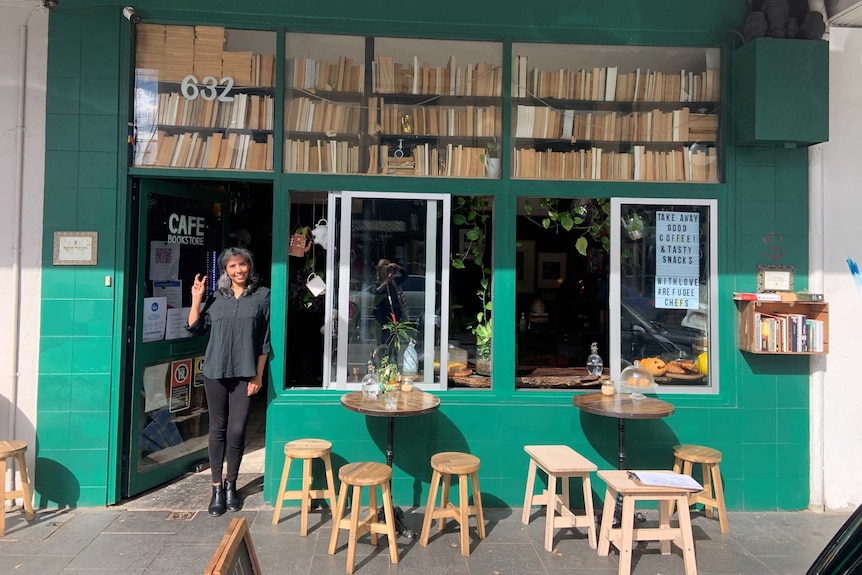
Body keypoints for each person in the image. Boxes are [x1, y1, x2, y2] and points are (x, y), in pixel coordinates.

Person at [187, 247, 270, 516]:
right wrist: (196, 299)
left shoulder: (262, 296)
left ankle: (232, 484)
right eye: (233, 266)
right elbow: (194, 328)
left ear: (250, 266)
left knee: (237, 432)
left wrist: (258, 375)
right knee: (217, 429)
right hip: (215, 371)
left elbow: (265, 341)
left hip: (245, 372)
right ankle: (216, 488)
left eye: (243, 265)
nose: (239, 270)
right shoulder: (216, 297)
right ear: (225, 270)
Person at [372, 258, 409, 327]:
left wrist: (397, 267)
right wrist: (388, 280)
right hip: (382, 311)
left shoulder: (394, 281)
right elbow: (377, 291)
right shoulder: (377, 282)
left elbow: (405, 276)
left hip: (395, 310)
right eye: (383, 268)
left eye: (387, 268)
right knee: (384, 333)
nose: (385, 271)